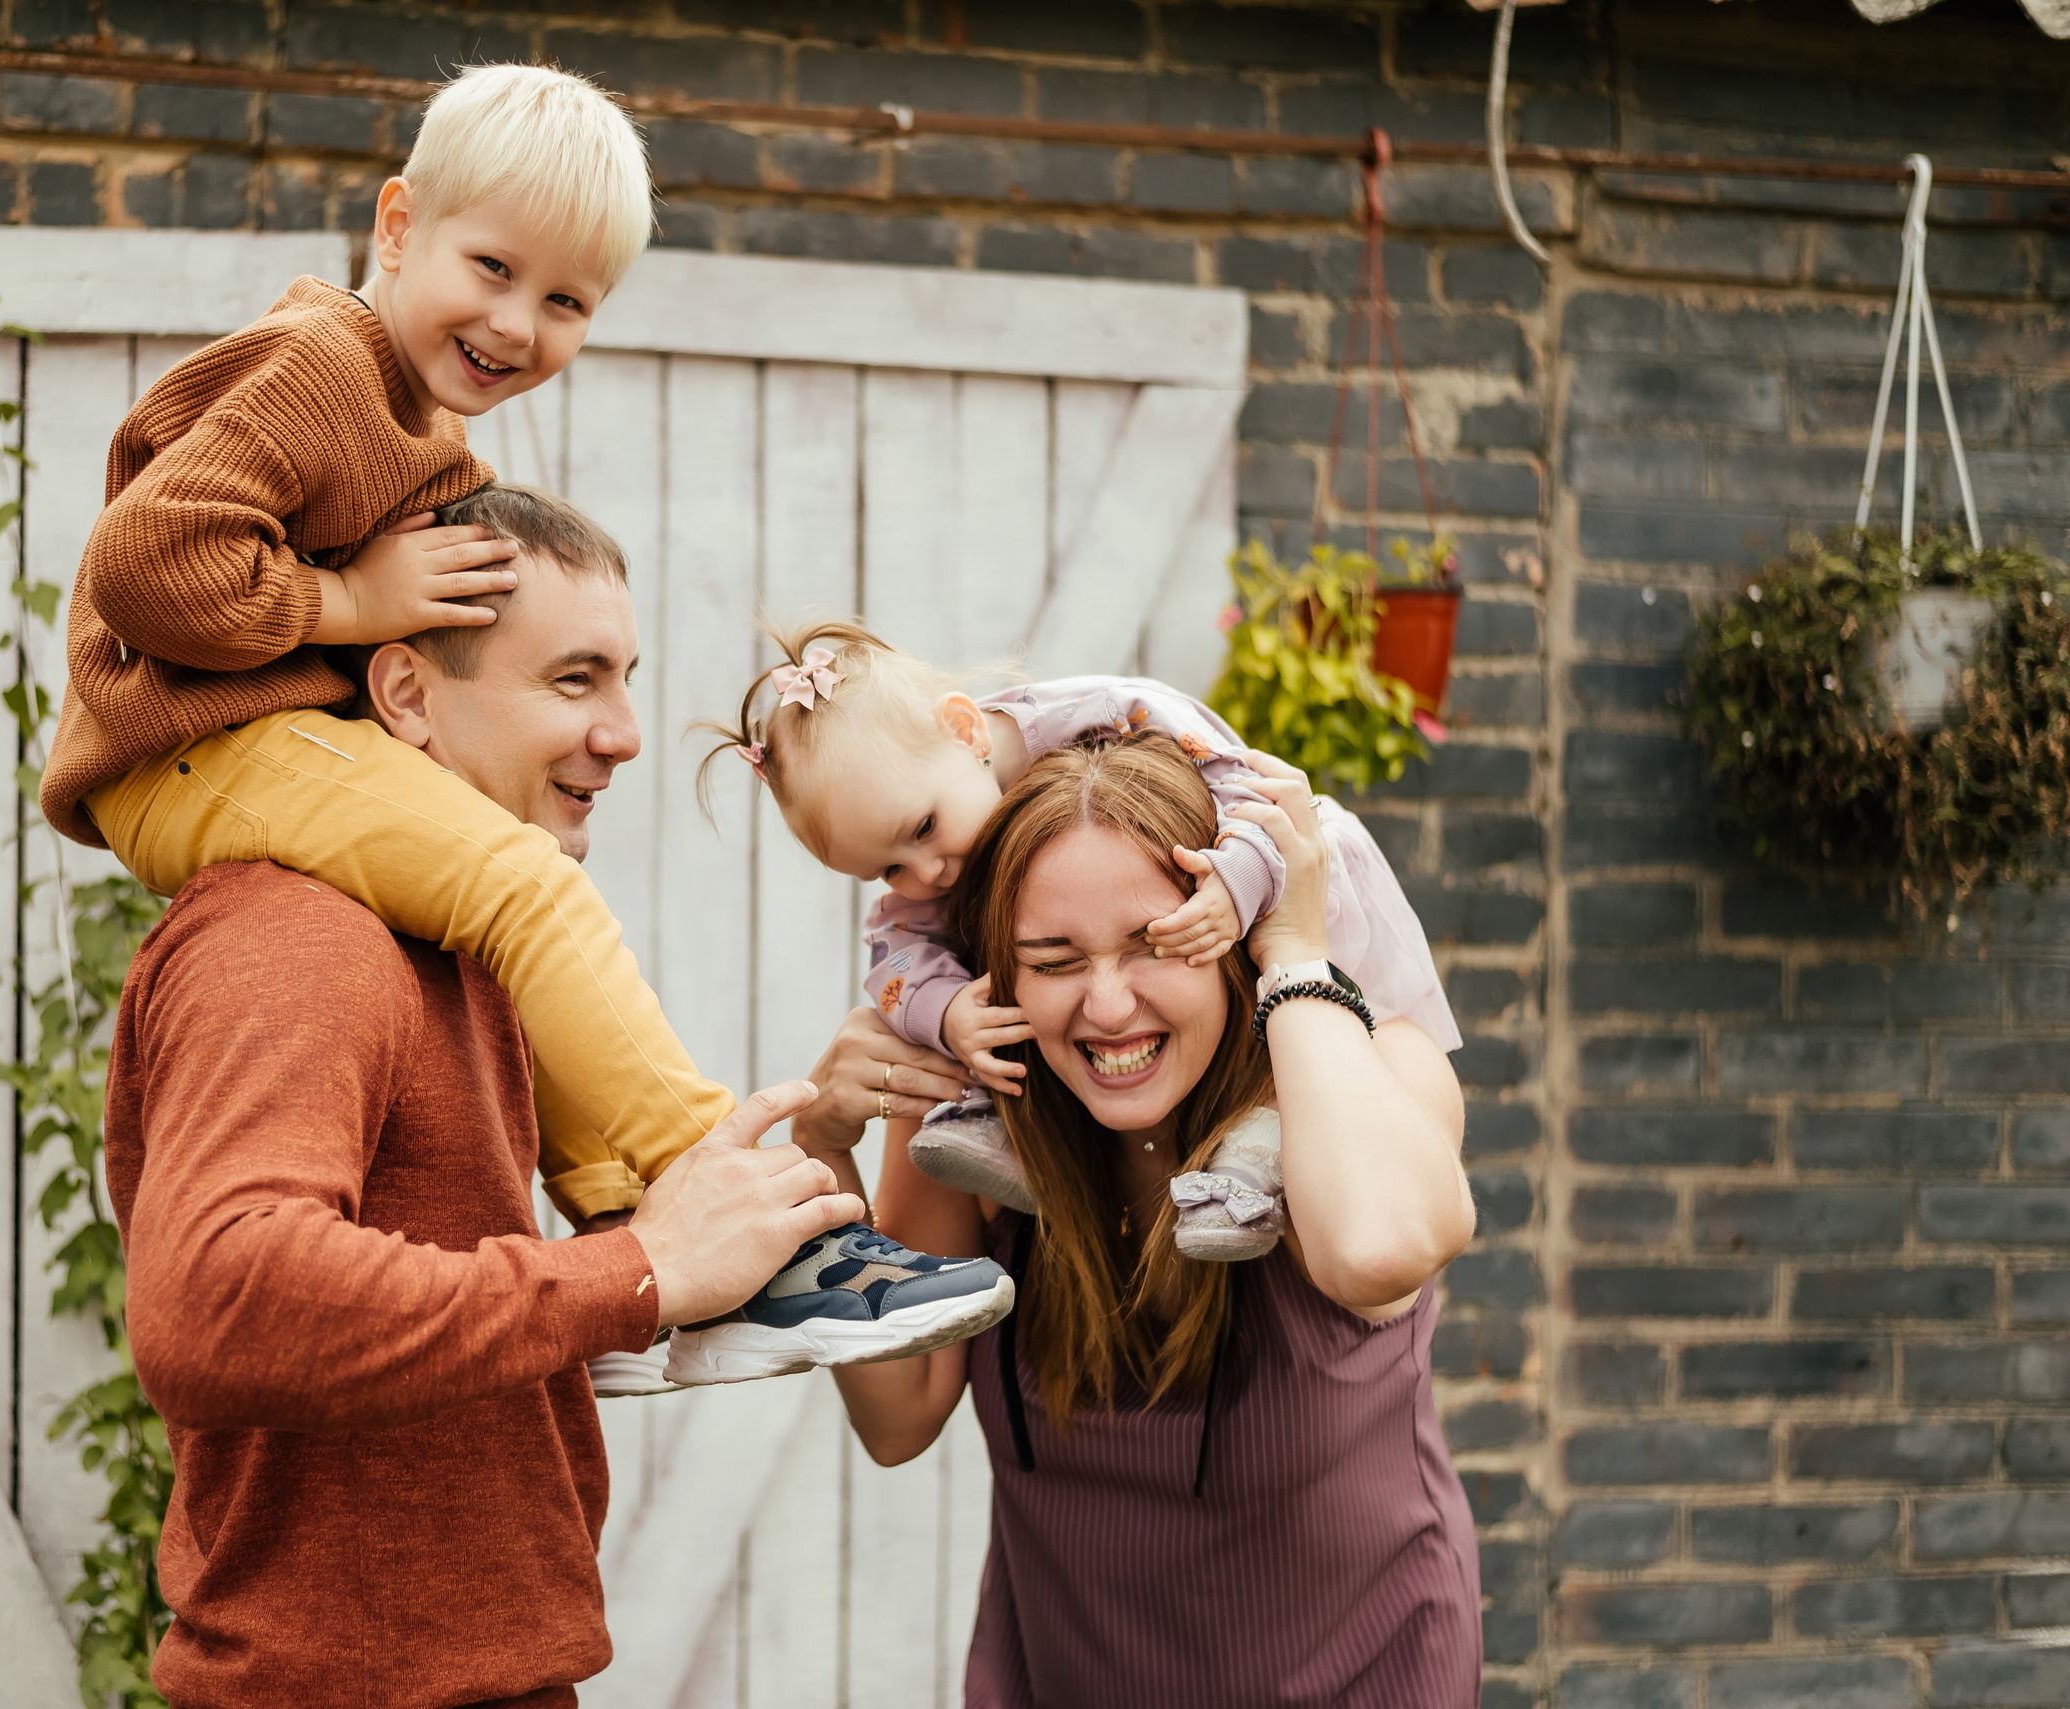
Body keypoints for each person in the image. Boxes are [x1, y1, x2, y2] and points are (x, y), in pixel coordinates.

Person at [40, 65, 1006, 1386]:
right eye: (492, 268)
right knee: (523, 887)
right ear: (397, 227)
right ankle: (731, 1201)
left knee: (501, 917)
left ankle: (630, 1232)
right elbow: (139, 562)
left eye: (565, 301)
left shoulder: (432, 436)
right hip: (185, 746)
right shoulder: (318, 365)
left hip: (250, 737)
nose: (515, 322)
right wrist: (348, 600)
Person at [105, 487, 1000, 1706]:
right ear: (406, 695)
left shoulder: (447, 941)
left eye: (625, 680)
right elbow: (217, 1300)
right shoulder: (297, 939)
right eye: (573, 680)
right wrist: (634, 1272)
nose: (624, 733)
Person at [812, 735, 1482, 1708]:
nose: (1108, 1003)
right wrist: (825, 1151)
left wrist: (1294, 955)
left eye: (1159, 943)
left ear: (1233, 934)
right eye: (1053, 961)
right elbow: (897, 1414)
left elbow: (1376, 1251)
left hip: (1362, 1678)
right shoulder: (981, 1129)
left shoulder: (1371, 1068)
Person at [700, 619, 1458, 1260]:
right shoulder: (942, 857)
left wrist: (1252, 901)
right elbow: (894, 950)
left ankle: (1259, 1148)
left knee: (1300, 1038)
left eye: (1151, 942)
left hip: (1273, 877)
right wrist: (940, 1020)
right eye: (1052, 960)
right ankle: (996, 1126)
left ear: (966, 730)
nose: (928, 874)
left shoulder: (1105, 717)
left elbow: (1249, 792)